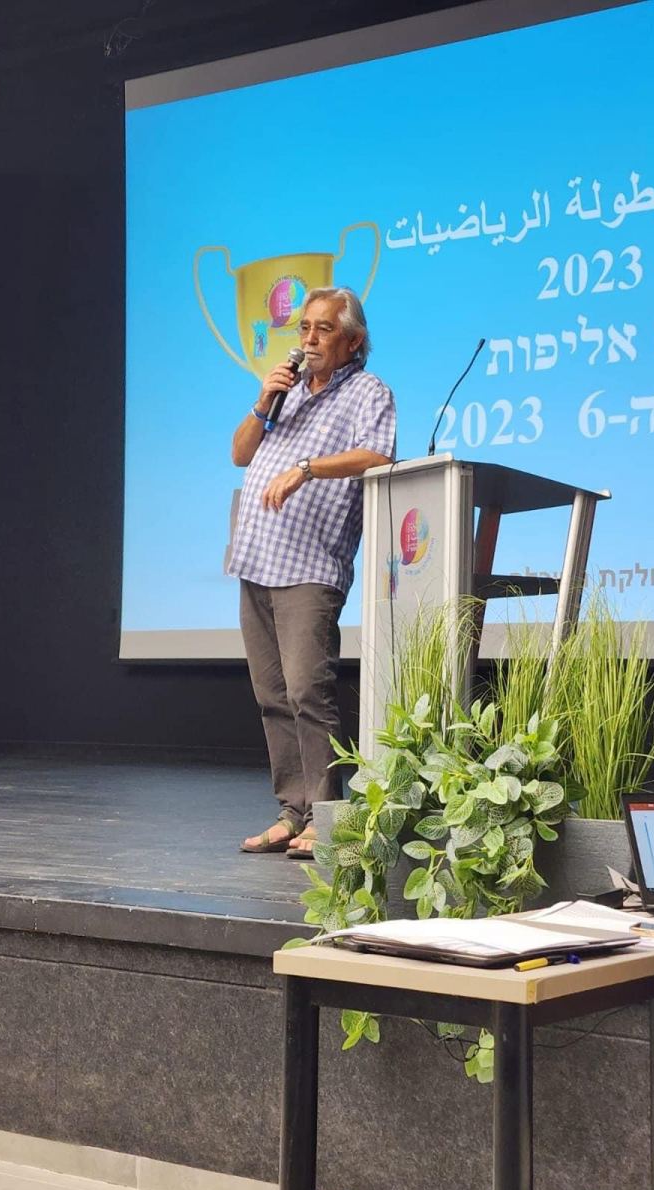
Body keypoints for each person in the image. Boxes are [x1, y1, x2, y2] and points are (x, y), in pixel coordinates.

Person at [228, 286, 395, 857]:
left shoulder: (368, 391)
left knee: (307, 692)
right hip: (257, 560)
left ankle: (324, 816)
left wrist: (305, 468)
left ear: (353, 341)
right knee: (272, 696)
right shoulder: (289, 391)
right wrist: (263, 400)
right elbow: (240, 454)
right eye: (304, 327)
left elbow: (377, 455)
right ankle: (291, 811)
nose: (310, 339)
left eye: (324, 329)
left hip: (310, 565)